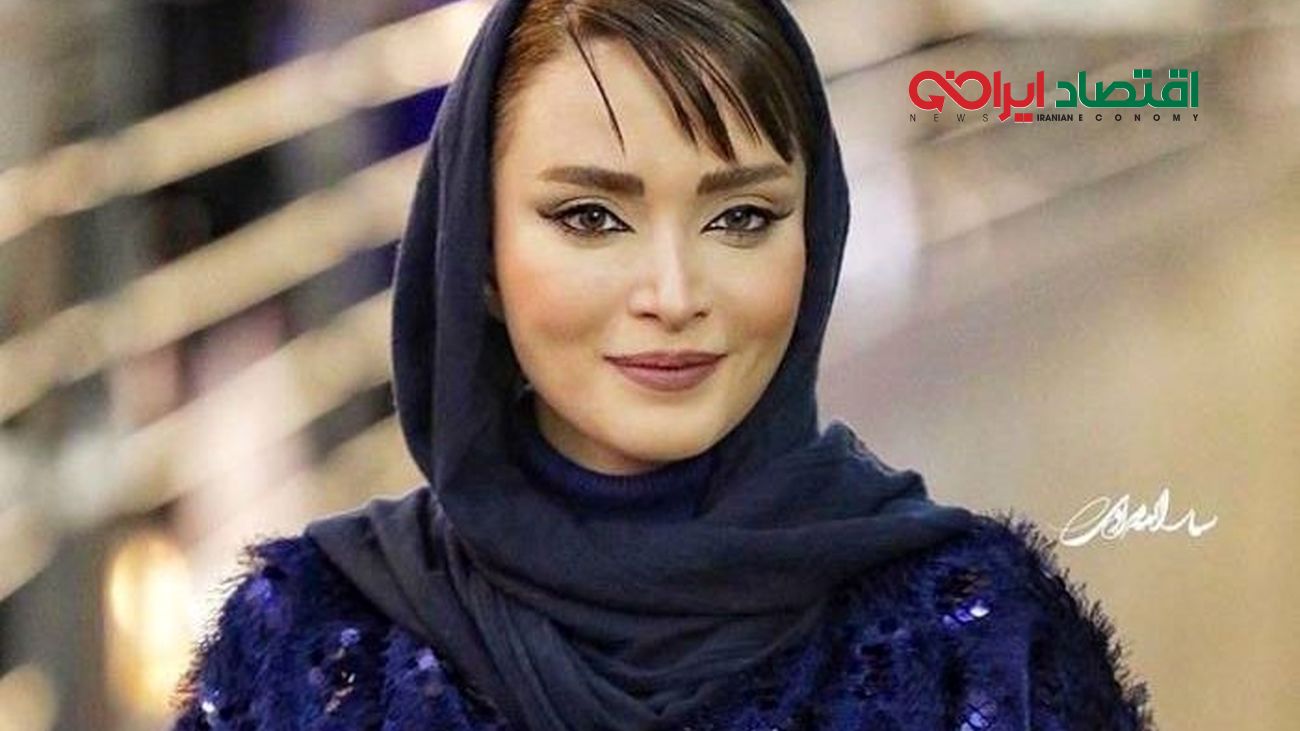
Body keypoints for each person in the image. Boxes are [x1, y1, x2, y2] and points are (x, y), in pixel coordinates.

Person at [170, 0, 1156, 729]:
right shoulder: (312, 647)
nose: (675, 292)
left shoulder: (977, 641)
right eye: (592, 216)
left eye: (742, 217)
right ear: (478, 250)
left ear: (813, 235)